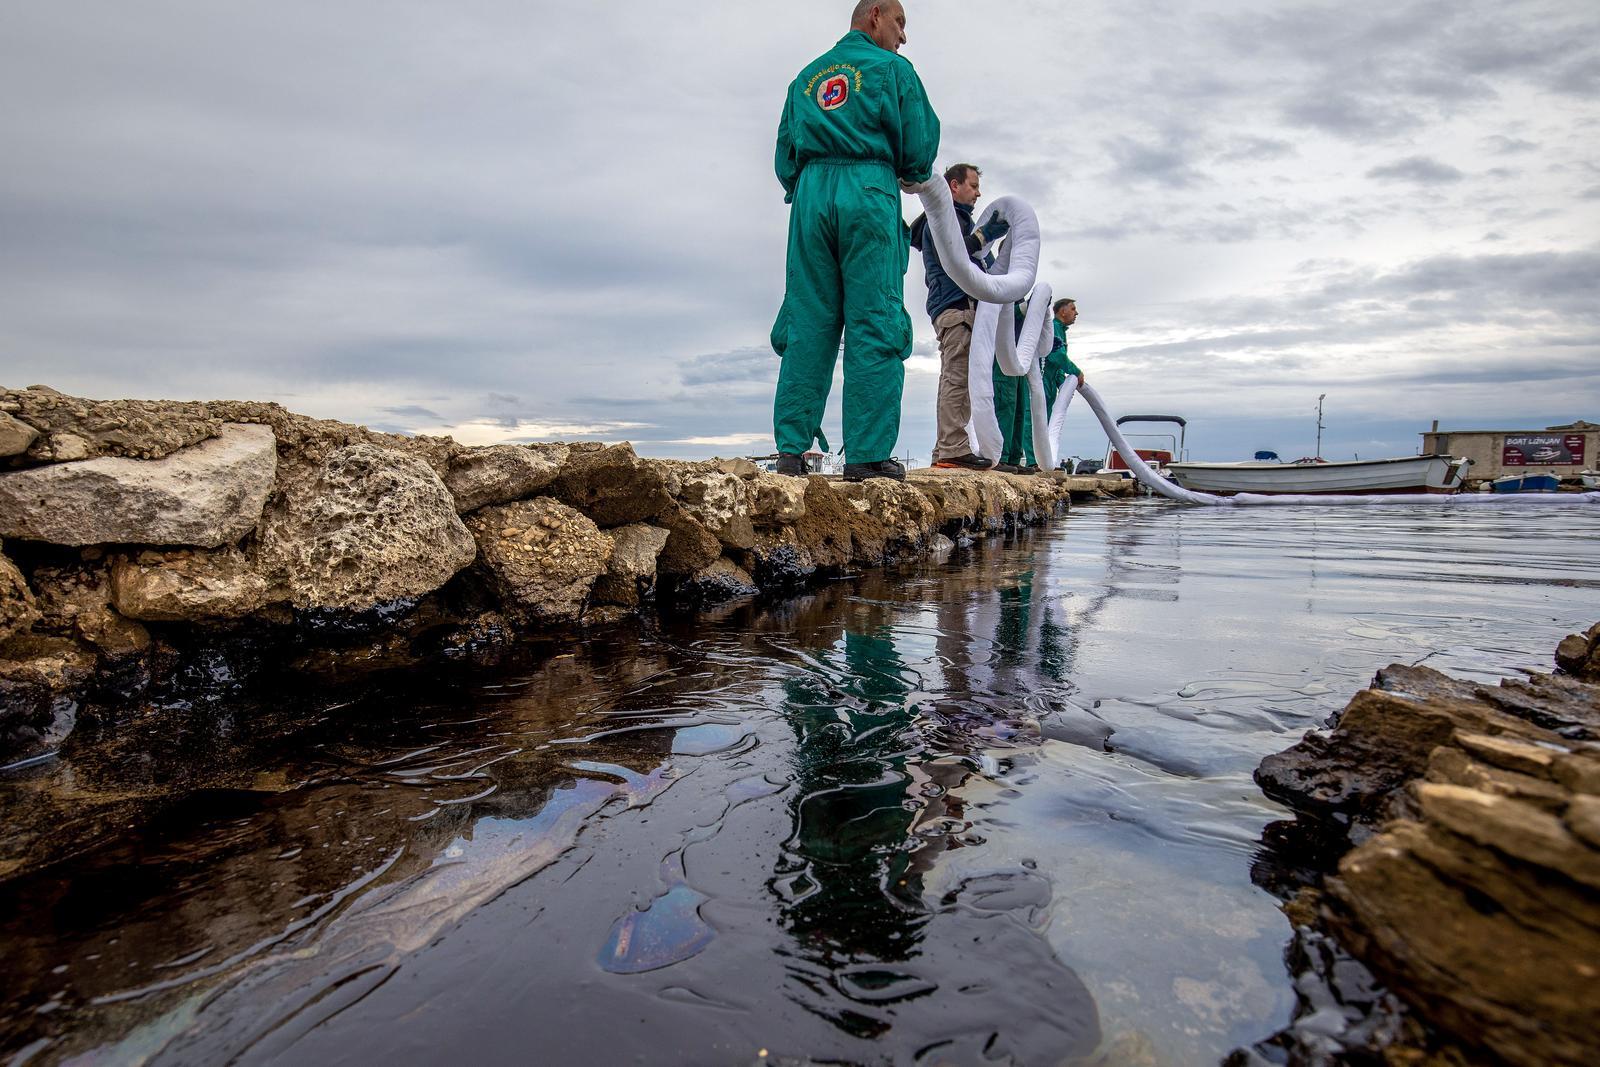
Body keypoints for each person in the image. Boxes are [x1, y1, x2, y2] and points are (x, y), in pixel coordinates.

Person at [770, 1, 940, 481]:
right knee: (876, 319)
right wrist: (908, 172)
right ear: (875, 16)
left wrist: (807, 185)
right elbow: (918, 151)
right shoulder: (893, 69)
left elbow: (785, 160)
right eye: (900, 23)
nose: (903, 36)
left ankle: (790, 451)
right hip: (867, 189)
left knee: (808, 318)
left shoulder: (804, 78)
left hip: (810, 196)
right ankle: (865, 456)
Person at [908, 163, 1008, 470]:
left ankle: (946, 449)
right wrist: (983, 236)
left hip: (955, 303)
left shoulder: (952, 219)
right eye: (973, 186)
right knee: (957, 375)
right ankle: (953, 447)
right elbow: (954, 256)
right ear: (954, 186)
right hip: (954, 304)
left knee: (958, 374)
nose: (979, 193)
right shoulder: (943, 219)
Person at [1044, 298, 1084, 412]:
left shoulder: (1060, 330)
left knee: (1046, 423)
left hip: (1049, 384)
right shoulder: (1054, 328)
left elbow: (1057, 367)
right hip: (1042, 382)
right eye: (1073, 309)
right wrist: (1076, 372)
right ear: (1062, 311)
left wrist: (1063, 384)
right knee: (1035, 421)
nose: (1076, 313)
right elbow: (1058, 356)